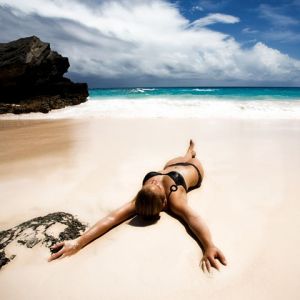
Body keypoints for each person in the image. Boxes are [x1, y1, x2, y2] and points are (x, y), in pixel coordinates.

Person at [49, 140, 227, 272]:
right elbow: (193, 218)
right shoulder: (175, 200)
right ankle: (191, 155)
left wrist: (78, 241)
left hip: (171, 166)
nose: (154, 182)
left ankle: (189, 151)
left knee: (176, 159)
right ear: (163, 202)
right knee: (187, 160)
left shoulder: (143, 198)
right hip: (193, 168)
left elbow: (111, 217)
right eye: (154, 186)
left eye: (151, 184)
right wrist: (209, 245)